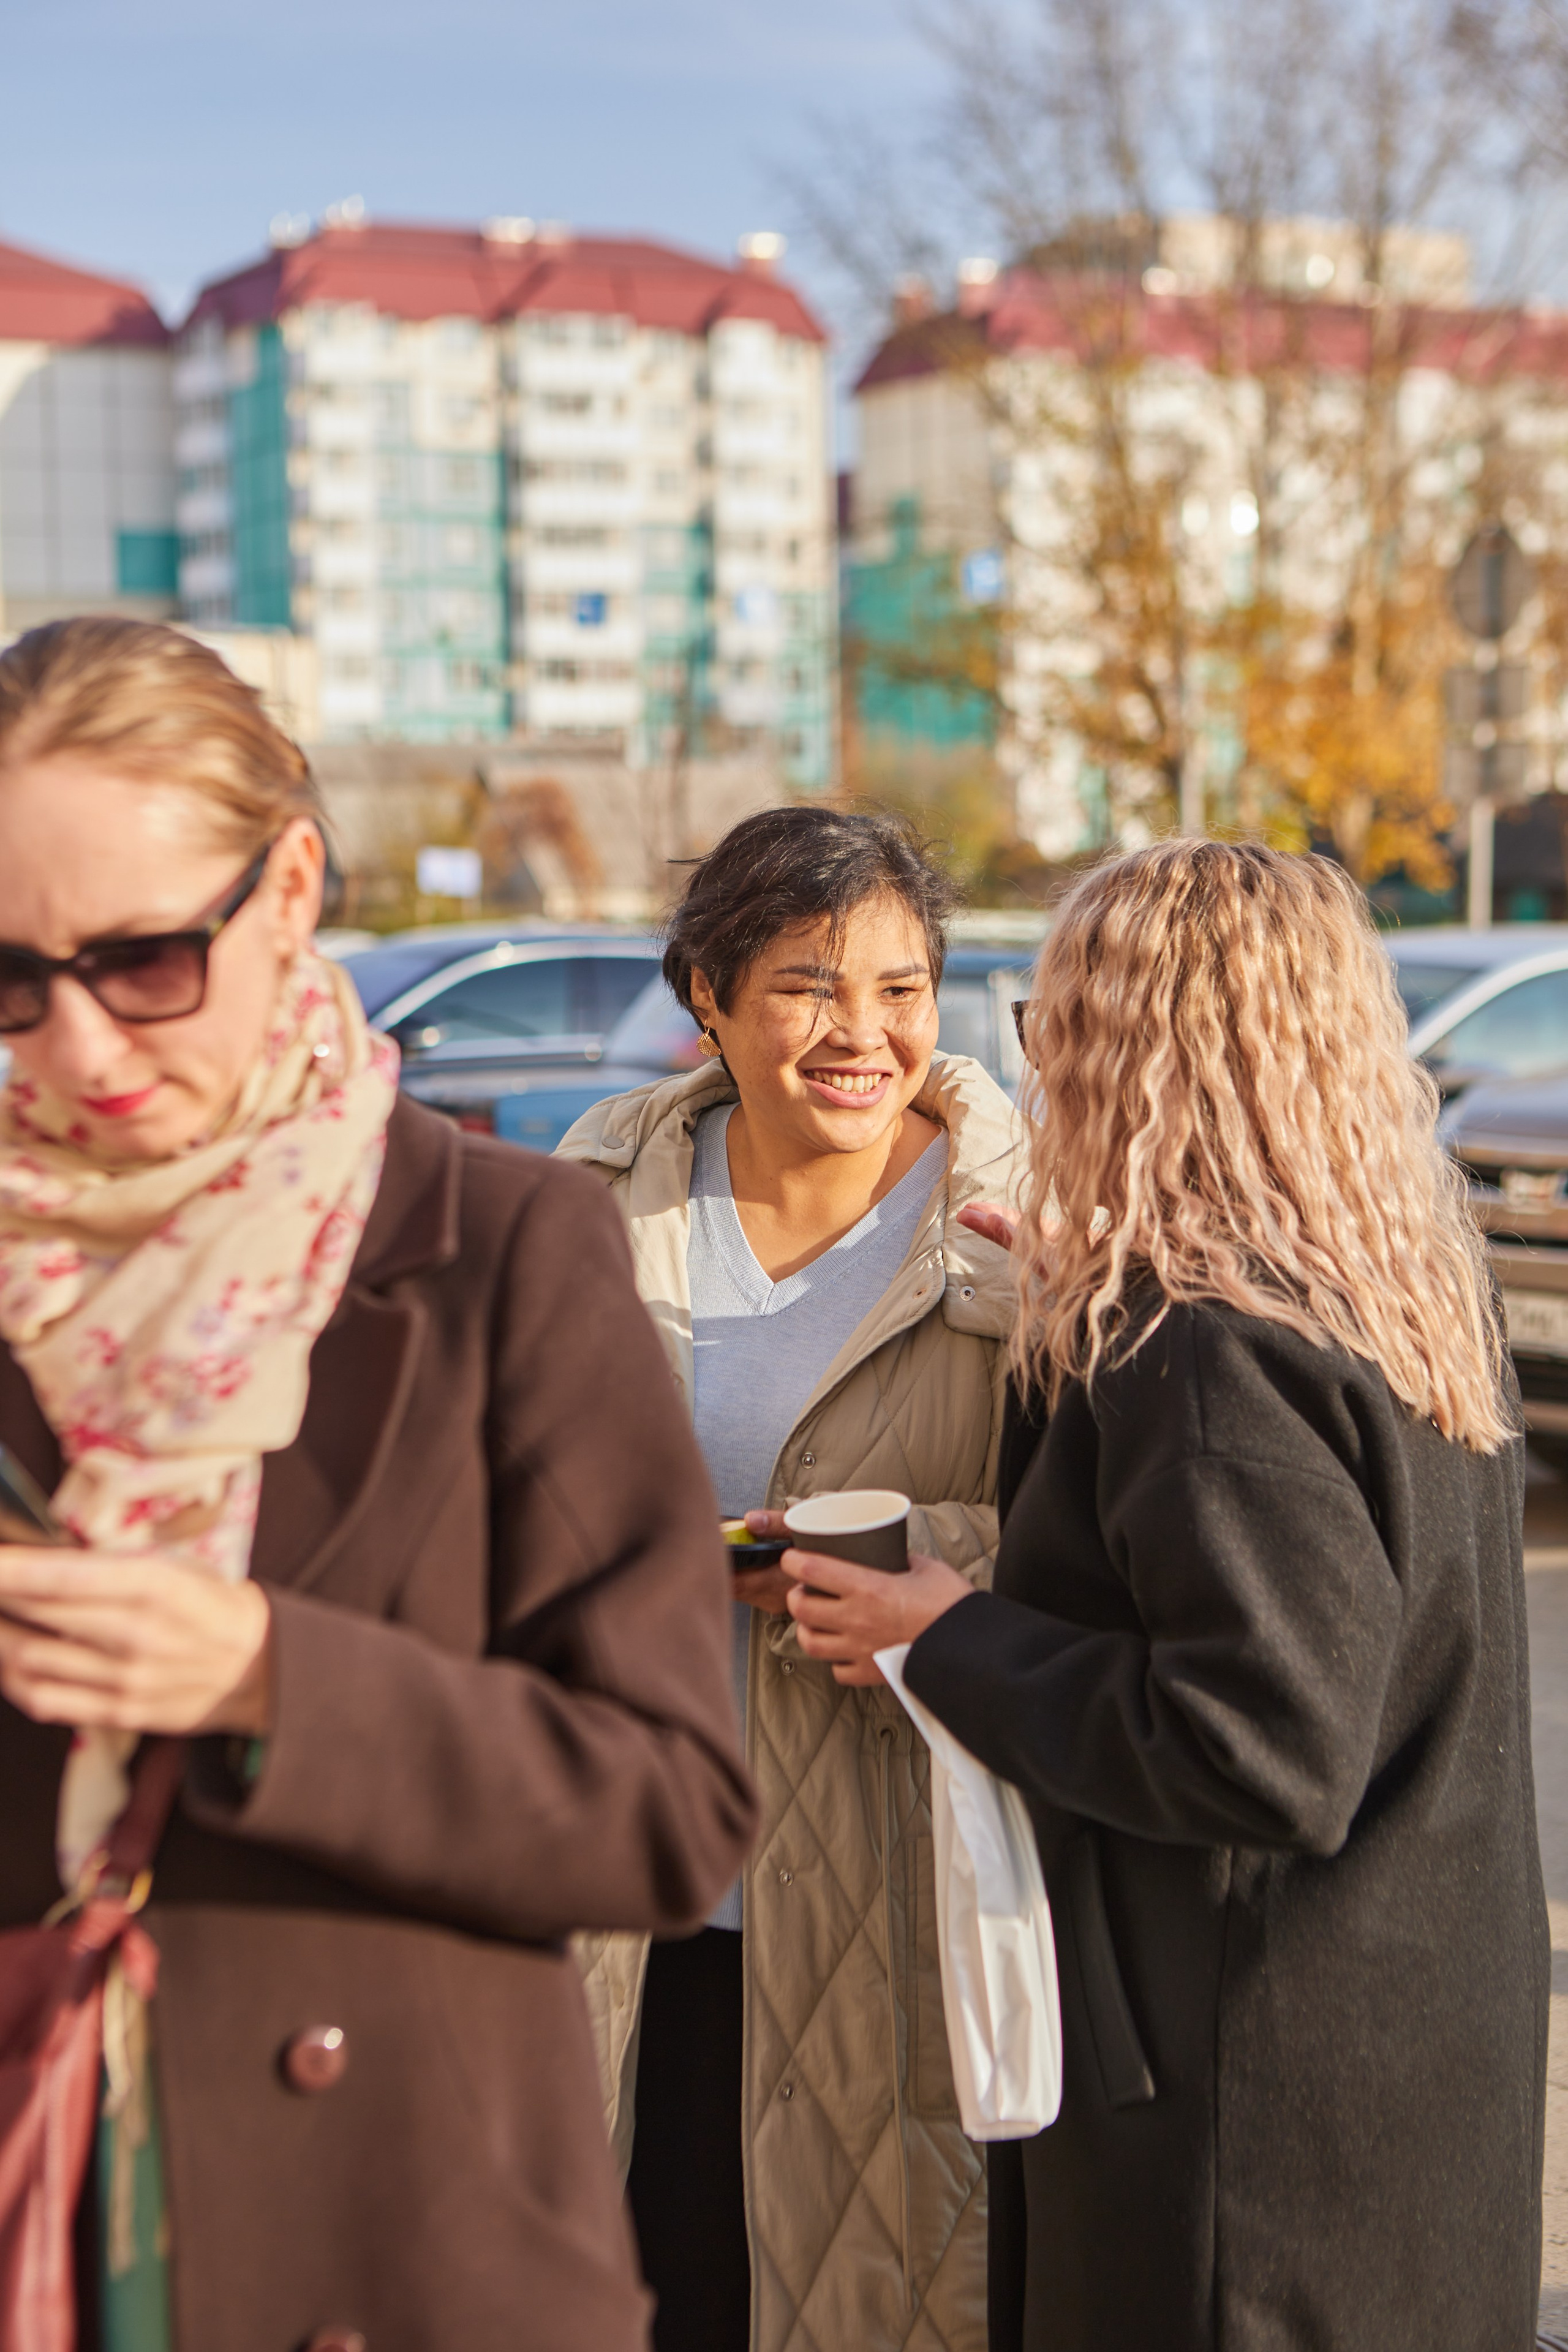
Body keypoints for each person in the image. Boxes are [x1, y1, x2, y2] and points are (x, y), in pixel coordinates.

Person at [0, 618, 756, 2352]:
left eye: (143, 961)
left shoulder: (503, 1253)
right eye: (8, 979)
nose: (78, 1050)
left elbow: (668, 1810)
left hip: (394, 2256)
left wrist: (272, 1681)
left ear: (290, 891)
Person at [788, 840, 1550, 2352]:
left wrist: (944, 1633)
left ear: (1126, 1051)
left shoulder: (1197, 1347)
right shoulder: (1382, 1294)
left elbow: (1260, 1742)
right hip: (1396, 2072)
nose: (1036, 1066)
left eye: (1048, 1025)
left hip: (1242, 2128)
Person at [562, 807, 1025, 2352]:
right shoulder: (596, 1197)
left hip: (890, 1897)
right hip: (628, 1896)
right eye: (810, 985)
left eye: (902, 989)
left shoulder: (1021, 1230)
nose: (863, 1034)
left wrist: (924, 1560)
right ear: (706, 993)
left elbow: (1111, 1544)